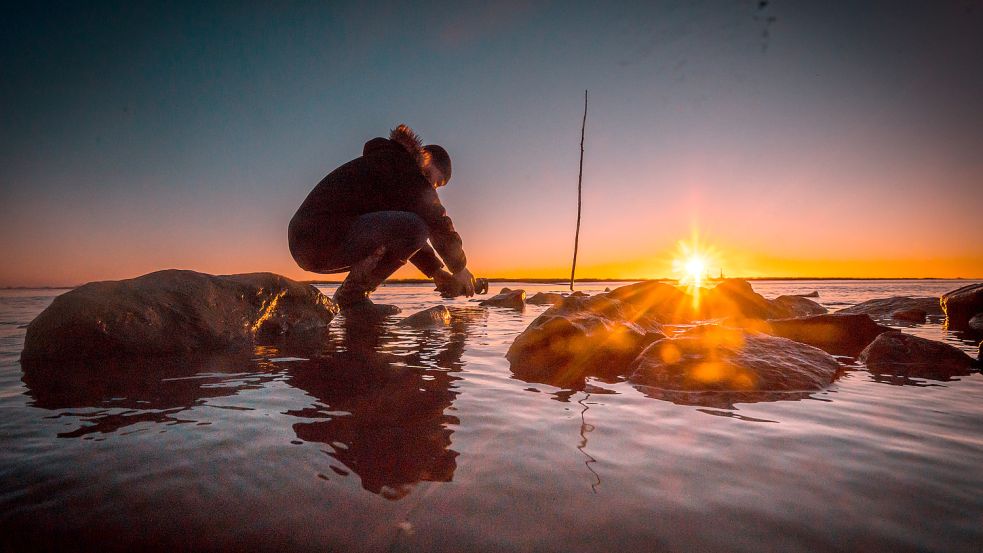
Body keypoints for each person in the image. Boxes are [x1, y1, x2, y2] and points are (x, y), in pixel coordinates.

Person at [288, 124, 476, 315]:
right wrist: (459, 268)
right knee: (418, 226)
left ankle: (351, 297)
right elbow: (435, 222)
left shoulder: (389, 168)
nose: (431, 189)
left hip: (308, 242)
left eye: (436, 188)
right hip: (319, 236)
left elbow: (399, 234)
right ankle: (352, 296)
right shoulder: (403, 166)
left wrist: (435, 271)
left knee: (414, 226)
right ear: (424, 158)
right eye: (431, 180)